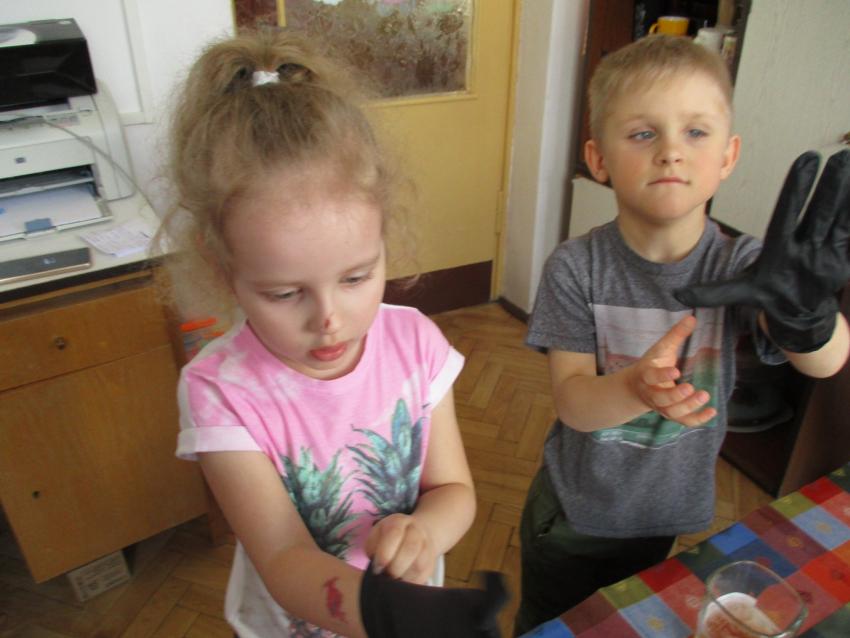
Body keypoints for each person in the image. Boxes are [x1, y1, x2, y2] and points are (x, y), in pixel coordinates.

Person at [157, 28, 506, 638]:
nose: (329, 319)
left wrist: (425, 531)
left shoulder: (416, 344)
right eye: (284, 293)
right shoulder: (219, 390)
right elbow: (283, 557)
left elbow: (453, 489)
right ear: (222, 269)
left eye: (355, 277)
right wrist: (385, 614)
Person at [515, 34, 850, 635]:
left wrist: (810, 319)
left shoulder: (747, 267)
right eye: (643, 133)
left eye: (696, 131)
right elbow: (573, 402)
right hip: (576, 517)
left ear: (728, 155)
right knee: (555, 624)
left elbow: (825, 363)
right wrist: (634, 389)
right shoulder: (575, 267)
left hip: (663, 515)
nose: (671, 151)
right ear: (598, 159)